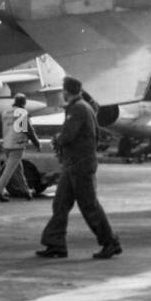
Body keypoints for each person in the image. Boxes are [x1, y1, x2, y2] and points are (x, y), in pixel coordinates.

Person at [38, 77, 121, 259]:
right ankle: (55, 244)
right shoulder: (84, 107)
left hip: (80, 164)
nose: (62, 93)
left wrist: (58, 139)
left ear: (67, 91)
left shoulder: (78, 109)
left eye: (63, 90)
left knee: (89, 205)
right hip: (74, 164)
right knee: (60, 203)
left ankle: (110, 242)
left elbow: (68, 135)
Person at [0, 93, 41, 200]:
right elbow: (27, 129)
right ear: (23, 103)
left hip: (7, 145)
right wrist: (37, 143)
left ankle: (25, 191)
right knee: (9, 170)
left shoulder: (5, 113)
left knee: (18, 169)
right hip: (17, 145)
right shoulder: (21, 112)